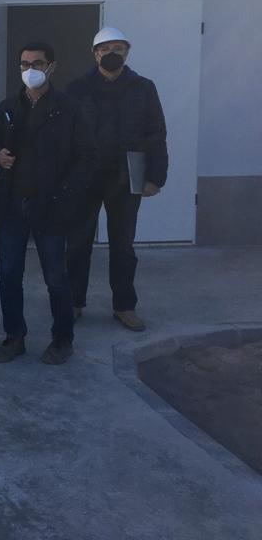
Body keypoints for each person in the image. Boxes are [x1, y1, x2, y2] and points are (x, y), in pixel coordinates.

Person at [0, 42, 96, 365]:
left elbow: (87, 157)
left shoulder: (69, 109)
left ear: (51, 67)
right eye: (24, 64)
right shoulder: (9, 107)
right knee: (9, 275)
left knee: (55, 278)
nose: (29, 69)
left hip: (50, 206)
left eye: (37, 63)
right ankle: (14, 337)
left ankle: (63, 339)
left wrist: (65, 195)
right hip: (12, 205)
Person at [65, 27, 167, 332]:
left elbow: (156, 132)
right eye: (106, 48)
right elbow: (64, 136)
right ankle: (73, 303)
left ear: (127, 52)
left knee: (123, 245)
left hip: (126, 176)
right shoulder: (76, 88)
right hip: (85, 177)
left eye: (119, 48)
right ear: (95, 53)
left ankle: (124, 306)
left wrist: (155, 177)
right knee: (78, 243)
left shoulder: (143, 87)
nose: (112, 53)